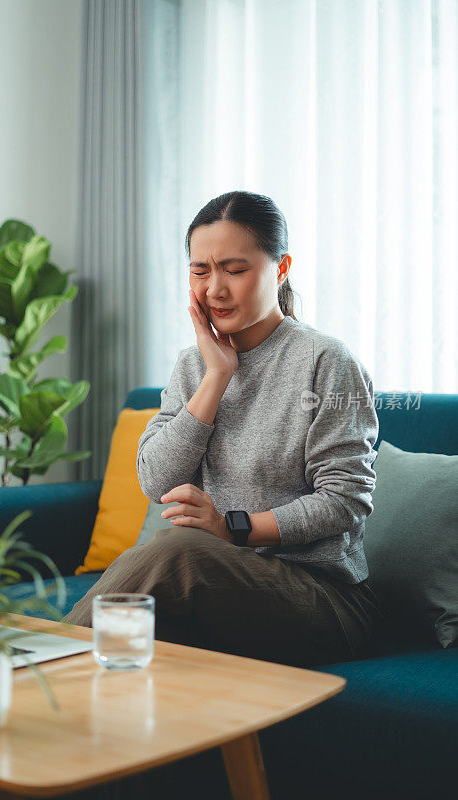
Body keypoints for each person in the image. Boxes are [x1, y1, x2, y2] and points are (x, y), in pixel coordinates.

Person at [62, 190, 384, 667]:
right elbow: (157, 481)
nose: (215, 288)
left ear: (280, 268)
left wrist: (234, 528)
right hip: (223, 592)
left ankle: (37, 663)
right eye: (200, 270)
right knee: (134, 649)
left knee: (180, 550)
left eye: (234, 269)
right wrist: (216, 377)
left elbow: (345, 499)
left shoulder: (325, 361)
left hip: (324, 601)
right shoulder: (195, 366)